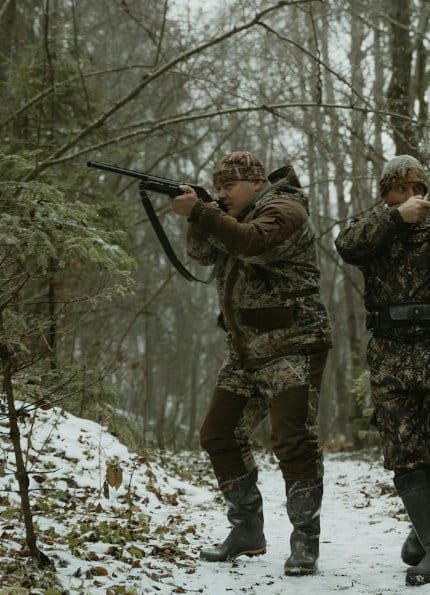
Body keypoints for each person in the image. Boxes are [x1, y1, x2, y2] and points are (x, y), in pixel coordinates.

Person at [168, 151, 332, 577]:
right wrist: (200, 212)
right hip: (244, 348)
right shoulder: (232, 214)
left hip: (293, 343)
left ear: (256, 182)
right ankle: (246, 530)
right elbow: (204, 255)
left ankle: (304, 541)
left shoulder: (285, 208)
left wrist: (204, 210)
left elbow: (253, 244)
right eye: (217, 186)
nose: (222, 193)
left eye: (229, 186)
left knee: (292, 441)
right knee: (218, 434)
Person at [334, 155, 430, 586]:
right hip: (391, 349)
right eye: (402, 190)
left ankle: (424, 532)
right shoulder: (373, 226)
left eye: (418, 188)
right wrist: (396, 219)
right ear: (388, 194)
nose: (413, 195)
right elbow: (348, 246)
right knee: (404, 447)